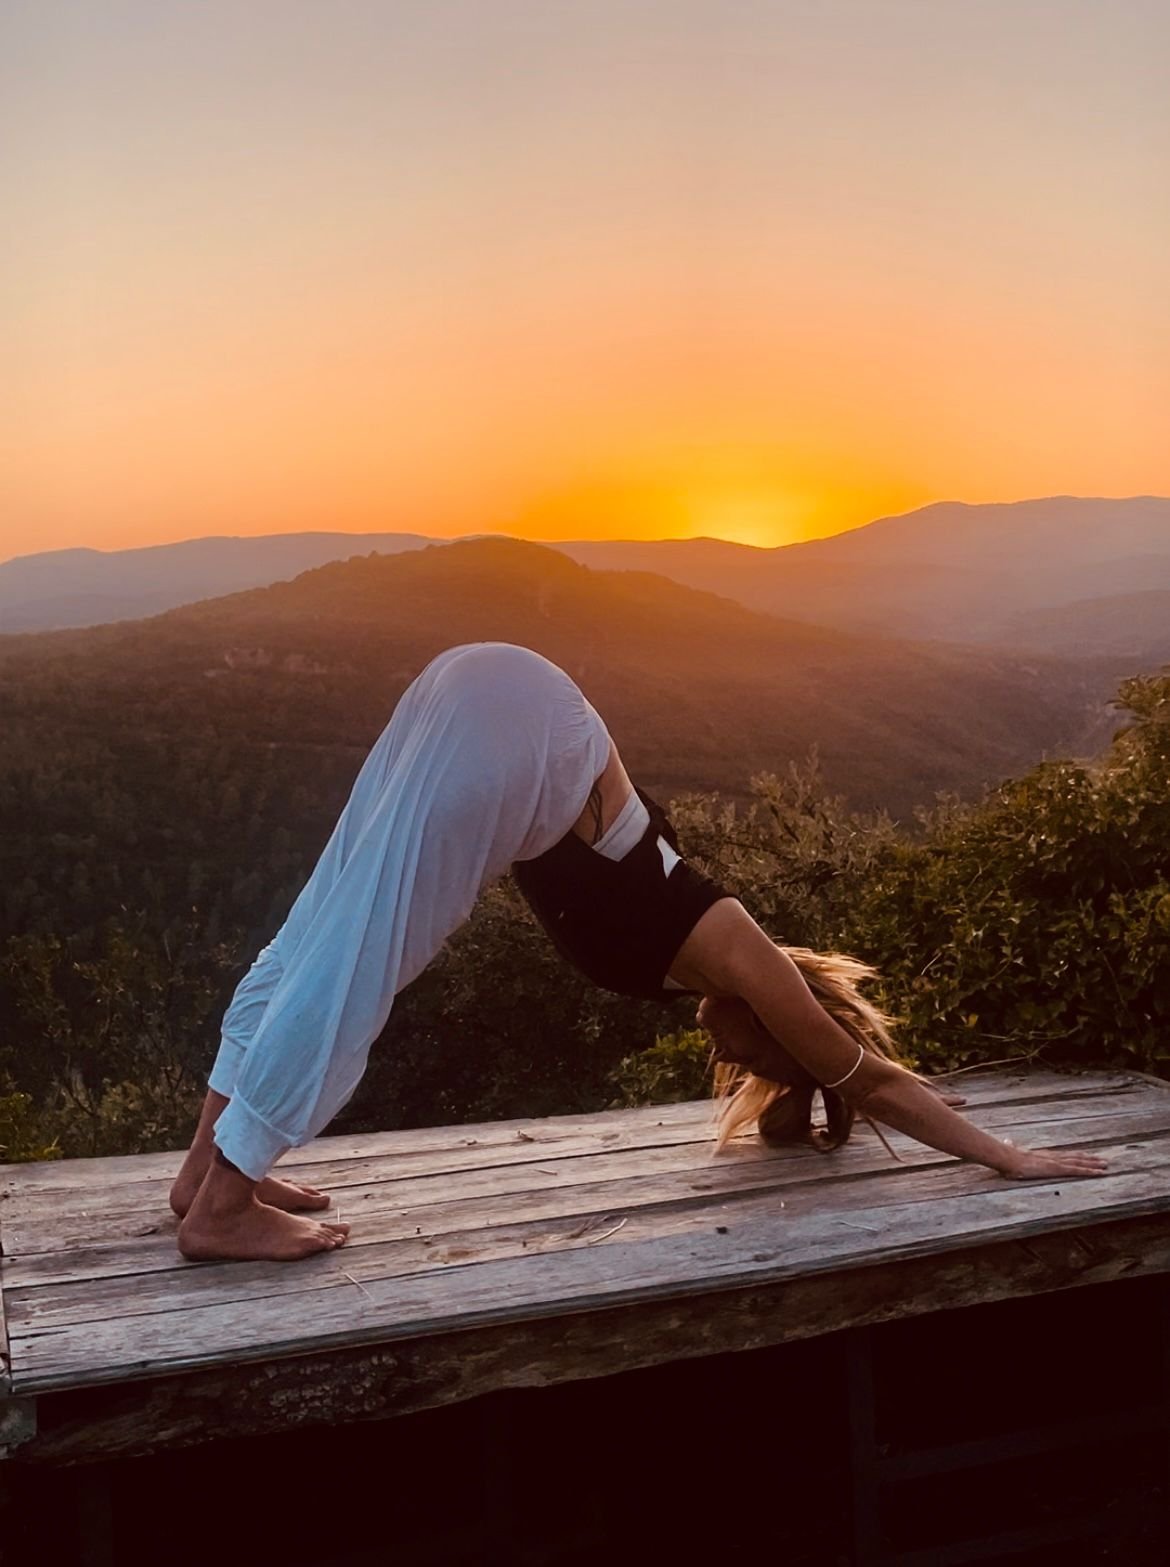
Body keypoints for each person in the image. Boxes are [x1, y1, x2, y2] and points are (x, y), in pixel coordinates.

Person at [171, 642, 1107, 1262]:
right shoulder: (742, 950)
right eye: (761, 1057)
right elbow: (872, 1080)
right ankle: (223, 1203)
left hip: (478, 692)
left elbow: (866, 1082)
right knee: (354, 959)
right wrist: (1004, 1155)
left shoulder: (692, 962)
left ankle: (204, 1168)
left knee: (316, 934)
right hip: (519, 727)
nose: (731, 1057)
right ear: (785, 1027)